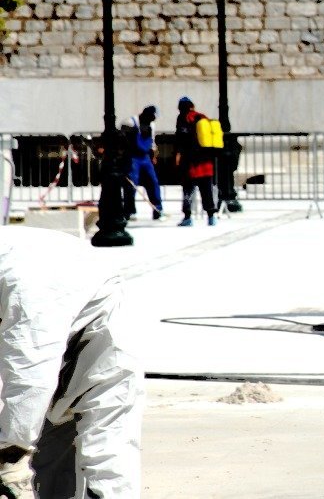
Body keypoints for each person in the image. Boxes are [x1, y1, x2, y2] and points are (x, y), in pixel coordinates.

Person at [0, 226, 145, 498]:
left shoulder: (24, 277)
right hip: (54, 331)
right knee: (51, 461)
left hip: (98, 334)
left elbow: (30, 369)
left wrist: (11, 453)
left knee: (106, 454)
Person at [174, 97, 217, 227]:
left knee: (188, 189)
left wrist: (178, 154)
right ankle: (211, 217)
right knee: (207, 190)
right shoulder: (203, 117)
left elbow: (181, 139)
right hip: (207, 162)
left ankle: (187, 217)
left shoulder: (183, 118)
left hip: (191, 162)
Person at [124, 106, 163, 221]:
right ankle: (130, 211)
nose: (152, 120)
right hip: (132, 157)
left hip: (145, 157)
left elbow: (152, 142)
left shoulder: (152, 125)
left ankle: (157, 209)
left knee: (153, 181)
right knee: (131, 184)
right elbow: (122, 141)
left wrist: (154, 155)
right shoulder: (130, 122)